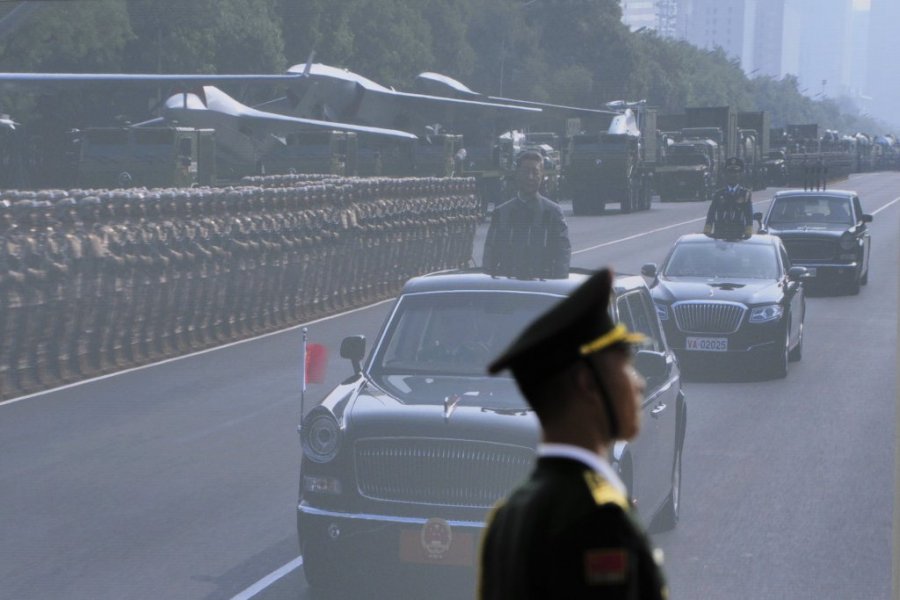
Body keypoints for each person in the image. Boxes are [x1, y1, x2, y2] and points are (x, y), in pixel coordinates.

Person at [479, 268, 667, 600]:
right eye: (624, 366)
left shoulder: (506, 516)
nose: (638, 382)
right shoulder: (600, 519)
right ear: (588, 384)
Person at [482, 150, 571, 279]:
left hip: (542, 285)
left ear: (542, 175)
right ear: (517, 174)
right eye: (525, 172)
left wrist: (557, 283)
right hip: (508, 286)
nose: (530, 177)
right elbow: (489, 255)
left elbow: (563, 254)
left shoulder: (553, 212)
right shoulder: (501, 213)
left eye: (535, 172)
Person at [703, 157, 753, 239]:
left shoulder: (745, 194)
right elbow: (711, 213)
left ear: (740, 175)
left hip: (738, 235)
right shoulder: (718, 194)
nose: (733, 175)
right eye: (730, 172)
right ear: (725, 175)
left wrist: (748, 231)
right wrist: (707, 230)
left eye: (736, 172)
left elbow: (749, 215)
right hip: (720, 235)